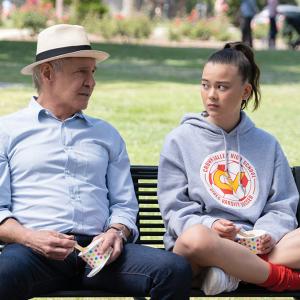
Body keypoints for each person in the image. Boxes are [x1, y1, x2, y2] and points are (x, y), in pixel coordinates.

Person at [0, 24, 192, 300]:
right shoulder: (7, 131)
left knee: (174, 270)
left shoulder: (105, 134)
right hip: (34, 252)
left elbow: (124, 203)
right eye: (81, 72)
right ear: (47, 73)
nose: (91, 82)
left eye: (92, 73)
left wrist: (117, 232)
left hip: (101, 255)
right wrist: (29, 238)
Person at [158, 41, 300, 296]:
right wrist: (212, 225)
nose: (211, 94)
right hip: (199, 253)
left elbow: (282, 205)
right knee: (196, 238)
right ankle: (278, 277)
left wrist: (265, 233)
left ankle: (231, 274)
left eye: (222, 87)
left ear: (245, 91)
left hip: (256, 245)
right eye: (205, 85)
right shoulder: (179, 140)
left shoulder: (267, 144)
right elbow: (175, 210)